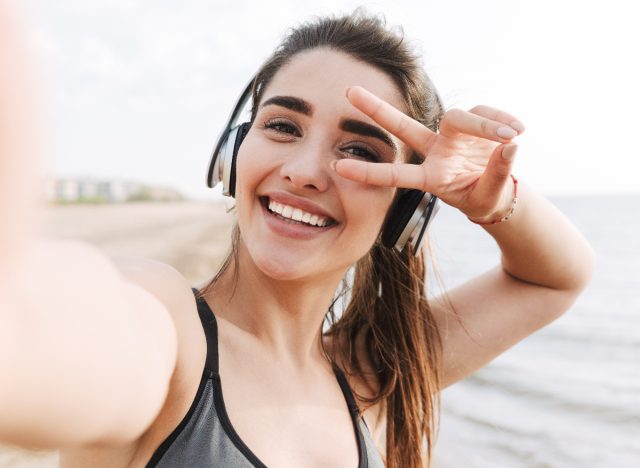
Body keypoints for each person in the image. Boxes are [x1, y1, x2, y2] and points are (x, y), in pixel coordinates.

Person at [0, 6, 596, 468]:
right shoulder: (167, 328)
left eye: (359, 150)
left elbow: (557, 277)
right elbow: (27, 339)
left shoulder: (374, 374)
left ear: (403, 208)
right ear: (235, 155)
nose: (306, 170)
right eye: (284, 125)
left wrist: (489, 198)